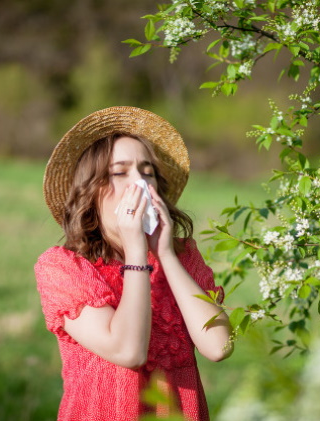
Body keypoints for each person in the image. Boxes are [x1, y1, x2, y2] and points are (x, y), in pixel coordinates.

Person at [34, 106, 233, 421]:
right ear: (92, 188)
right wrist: (137, 252)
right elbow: (129, 351)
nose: (139, 182)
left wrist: (166, 255)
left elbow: (219, 346)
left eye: (147, 171)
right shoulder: (63, 267)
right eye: (120, 172)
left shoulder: (181, 256)